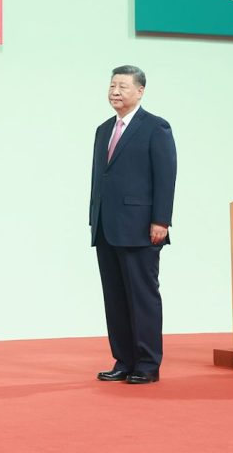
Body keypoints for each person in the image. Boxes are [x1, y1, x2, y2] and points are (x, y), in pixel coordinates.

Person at [89, 65, 177, 384]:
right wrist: (93, 217)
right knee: (115, 297)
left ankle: (147, 364)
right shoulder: (103, 130)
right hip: (106, 227)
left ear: (140, 91)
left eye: (123, 86)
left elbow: (166, 177)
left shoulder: (156, 128)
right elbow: (101, 179)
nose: (115, 91)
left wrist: (161, 221)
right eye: (112, 85)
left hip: (141, 227)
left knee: (142, 297)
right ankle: (124, 359)